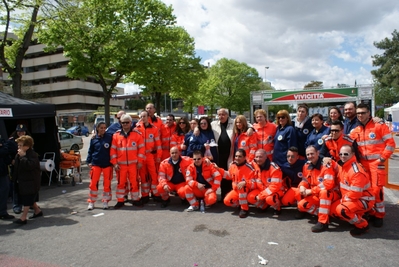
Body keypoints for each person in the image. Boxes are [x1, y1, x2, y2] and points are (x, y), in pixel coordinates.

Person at [349, 103, 396, 227]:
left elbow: (390, 144)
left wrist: (382, 159)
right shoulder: (356, 130)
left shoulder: (379, 126)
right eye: (358, 113)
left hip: (376, 164)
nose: (360, 115)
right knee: (366, 190)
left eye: (363, 112)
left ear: (369, 113)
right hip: (363, 164)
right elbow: (345, 141)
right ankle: (370, 212)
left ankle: (379, 215)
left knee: (377, 190)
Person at [331, 145, 375, 236]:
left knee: (342, 210)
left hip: (364, 200)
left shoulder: (356, 171)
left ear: (353, 154)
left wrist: (343, 202)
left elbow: (356, 193)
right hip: (351, 199)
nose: (343, 156)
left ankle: (362, 225)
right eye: (341, 154)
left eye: (346, 154)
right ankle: (360, 215)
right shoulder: (343, 166)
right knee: (332, 211)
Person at [296, 145, 340, 232]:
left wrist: (311, 191)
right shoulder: (307, 165)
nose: (310, 156)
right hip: (316, 194)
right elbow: (305, 180)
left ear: (318, 153)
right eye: (308, 154)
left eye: (312, 153)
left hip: (331, 194)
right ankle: (325, 213)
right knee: (301, 205)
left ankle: (323, 222)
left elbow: (328, 184)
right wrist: (302, 186)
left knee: (324, 192)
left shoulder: (326, 165)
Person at [110, 114, 145, 209]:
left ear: (130, 123)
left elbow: (141, 149)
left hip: (133, 164)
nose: (125, 124)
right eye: (123, 122)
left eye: (127, 122)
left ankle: (135, 199)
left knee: (134, 182)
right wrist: (114, 163)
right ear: (120, 123)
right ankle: (120, 201)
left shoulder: (137, 135)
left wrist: (140, 161)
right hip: (121, 165)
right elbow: (113, 151)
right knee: (121, 183)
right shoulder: (116, 135)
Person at [12, 135, 42, 225]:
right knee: (28, 198)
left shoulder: (32, 155)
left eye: (21, 145)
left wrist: (23, 157)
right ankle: (37, 211)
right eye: (18, 145)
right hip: (22, 180)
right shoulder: (19, 154)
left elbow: (30, 166)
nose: (19, 147)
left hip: (31, 181)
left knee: (27, 199)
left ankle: (23, 217)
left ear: (27, 146)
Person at [135, 111, 162, 203]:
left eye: (145, 116)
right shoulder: (137, 128)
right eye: (141, 116)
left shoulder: (154, 129)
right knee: (143, 176)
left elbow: (158, 144)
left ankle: (155, 194)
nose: (143, 118)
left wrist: (159, 155)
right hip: (141, 156)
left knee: (153, 175)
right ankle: (145, 195)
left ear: (148, 117)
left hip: (150, 155)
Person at [247, 149, 284, 215]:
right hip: (262, 189)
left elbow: (275, 186)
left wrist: (261, 196)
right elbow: (244, 165)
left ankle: (277, 208)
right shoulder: (255, 164)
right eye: (257, 157)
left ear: (266, 157)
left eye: (260, 157)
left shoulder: (274, 168)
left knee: (269, 199)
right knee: (250, 197)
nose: (258, 159)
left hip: (276, 191)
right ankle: (264, 206)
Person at [86, 122, 113, 210]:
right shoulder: (93, 139)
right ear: (97, 128)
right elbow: (90, 151)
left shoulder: (109, 137)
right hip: (96, 163)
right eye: (101, 128)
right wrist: (89, 161)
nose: (103, 129)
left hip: (107, 164)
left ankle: (105, 201)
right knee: (93, 184)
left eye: (104, 127)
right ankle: (91, 202)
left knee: (107, 184)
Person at [224, 149, 257, 218]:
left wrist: (245, 182)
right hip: (236, 190)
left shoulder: (249, 168)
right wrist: (217, 169)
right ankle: (241, 203)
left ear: (244, 157)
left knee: (241, 187)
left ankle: (244, 209)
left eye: (239, 156)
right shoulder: (233, 166)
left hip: (247, 190)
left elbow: (255, 182)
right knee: (227, 201)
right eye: (236, 156)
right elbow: (228, 175)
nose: (237, 158)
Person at [7, 124, 31, 214]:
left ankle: (30, 204)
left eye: (23, 131)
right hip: (16, 166)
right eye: (19, 132)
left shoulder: (28, 140)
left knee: (28, 186)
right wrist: (11, 160)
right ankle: (17, 205)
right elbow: (7, 153)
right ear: (16, 132)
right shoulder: (11, 141)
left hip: (26, 165)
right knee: (16, 186)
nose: (21, 133)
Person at [0, 137, 14, 221]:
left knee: (5, 190)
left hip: (2, 170)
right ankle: (2, 212)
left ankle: (2, 212)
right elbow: (3, 151)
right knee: (4, 189)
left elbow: (6, 150)